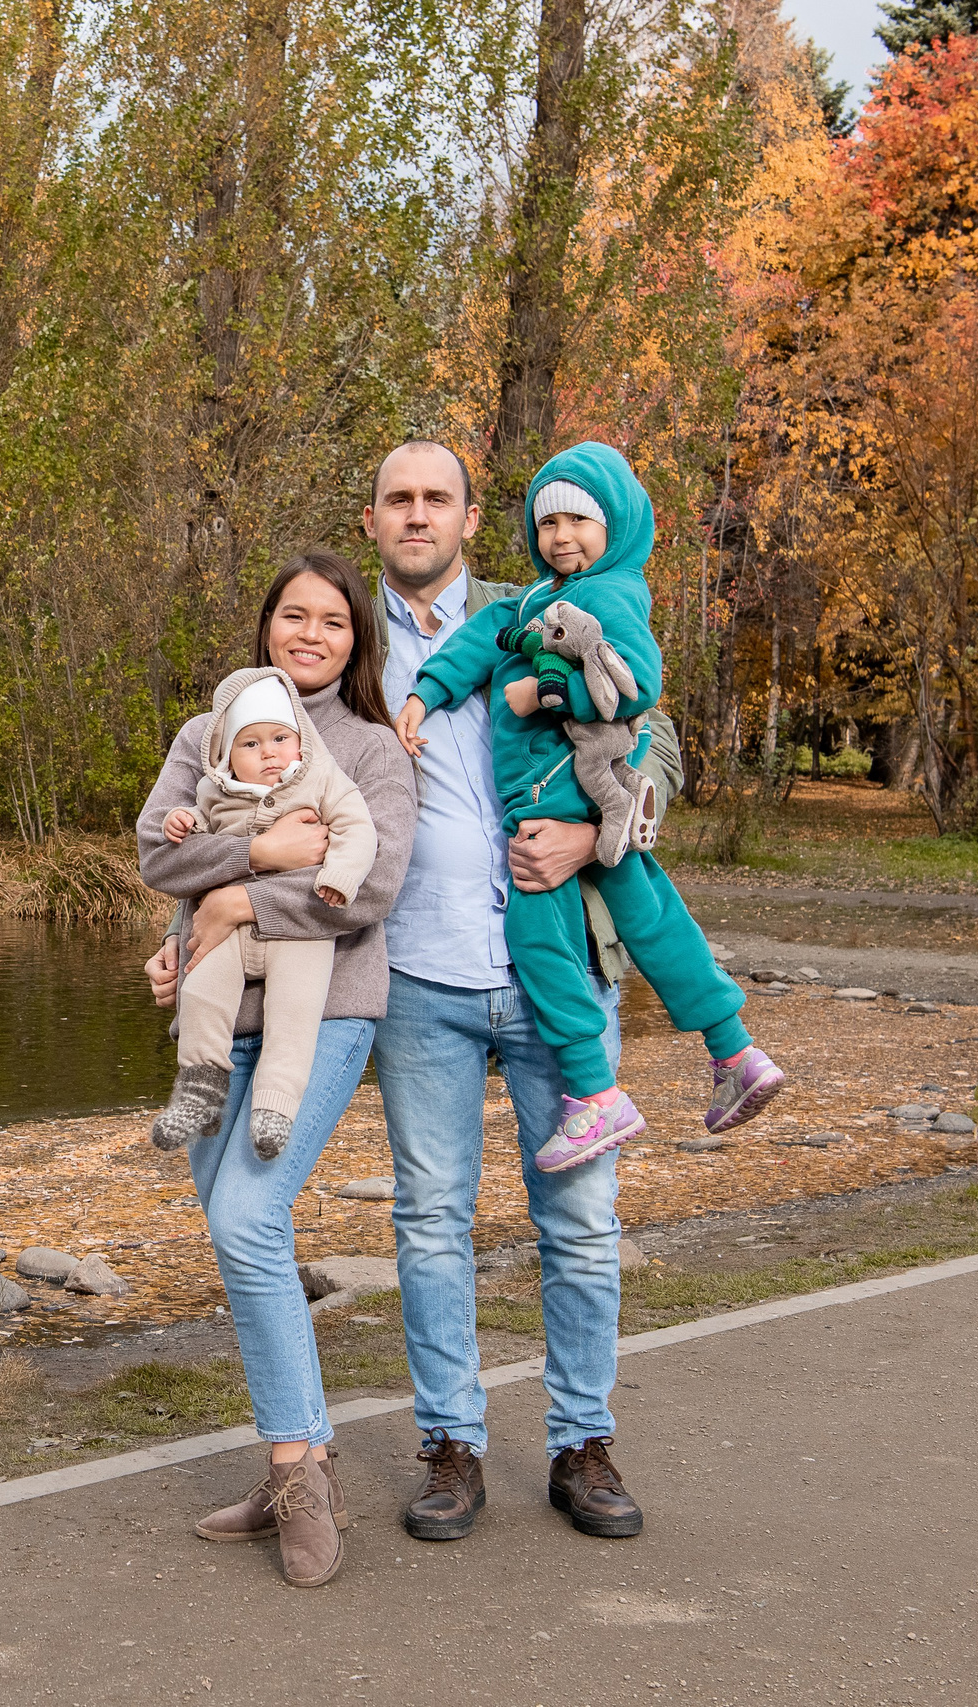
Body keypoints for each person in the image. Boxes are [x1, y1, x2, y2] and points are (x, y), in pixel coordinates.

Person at [147, 441, 685, 1546]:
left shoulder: (541, 606)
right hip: (420, 980)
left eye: (438, 498)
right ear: (373, 517)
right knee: (431, 1219)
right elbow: (253, 791)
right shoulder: (344, 649)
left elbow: (655, 736)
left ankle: (582, 1443)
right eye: (398, 499)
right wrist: (185, 928)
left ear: (471, 518)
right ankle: (451, 1446)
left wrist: (599, 833)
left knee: (582, 1218)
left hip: (557, 962)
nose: (417, 515)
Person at [136, 550, 416, 1589]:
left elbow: (369, 888)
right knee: (236, 1228)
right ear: (266, 627)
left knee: (249, 1220)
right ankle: (300, 1456)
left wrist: (229, 903)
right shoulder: (205, 732)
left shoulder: (372, 749)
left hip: (325, 1014)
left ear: (356, 640)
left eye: (333, 621)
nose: (311, 634)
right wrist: (256, 859)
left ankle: (300, 1475)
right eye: (294, 616)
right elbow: (156, 853)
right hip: (218, 1019)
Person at [394, 443, 784, 1171]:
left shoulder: (605, 594)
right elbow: (480, 641)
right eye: (548, 523)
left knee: (538, 937)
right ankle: (734, 1049)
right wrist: (424, 694)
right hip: (539, 832)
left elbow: (639, 689)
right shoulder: (531, 599)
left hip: (556, 795)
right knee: (654, 916)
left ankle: (597, 1095)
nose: (561, 536)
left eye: (578, 520)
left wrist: (541, 697)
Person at [153, 665, 378, 1157]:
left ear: (300, 740)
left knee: (294, 1013)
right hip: (225, 930)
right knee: (201, 994)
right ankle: (199, 1090)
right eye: (250, 744)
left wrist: (340, 876)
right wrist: (182, 820)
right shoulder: (215, 790)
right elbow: (186, 846)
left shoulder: (323, 780)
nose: (269, 753)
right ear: (227, 755)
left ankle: (275, 1107)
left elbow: (358, 830)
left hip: (300, 928)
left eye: (280, 738)